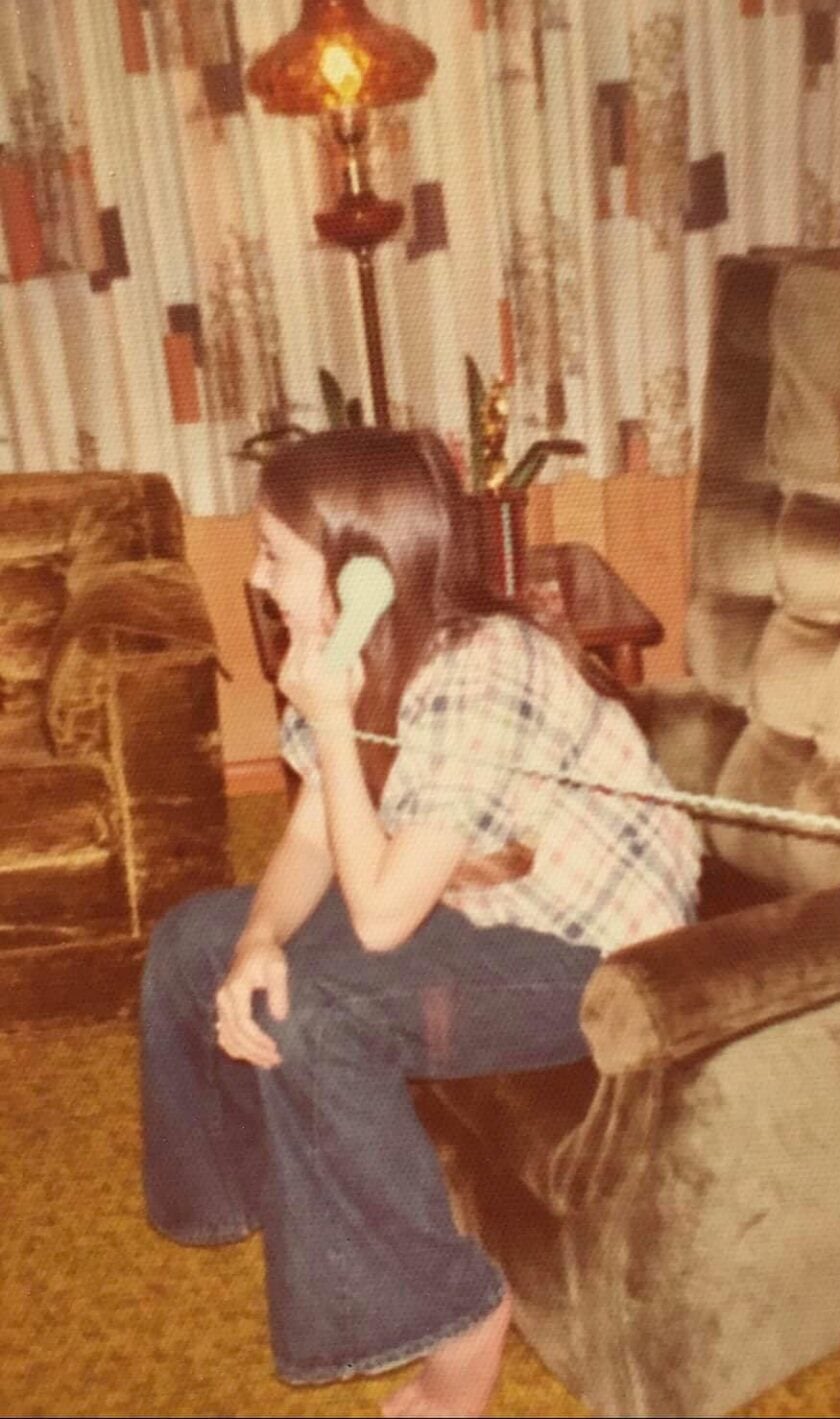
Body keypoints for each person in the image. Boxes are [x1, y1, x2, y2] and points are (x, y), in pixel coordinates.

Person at [140, 427, 702, 1418]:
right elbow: (310, 839)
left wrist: (329, 711)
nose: (257, 578)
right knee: (195, 943)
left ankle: (459, 1315)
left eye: (274, 554)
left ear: (361, 572)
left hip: (594, 951)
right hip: (467, 893)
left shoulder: (482, 670)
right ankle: (250, 1191)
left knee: (316, 1014)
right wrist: (259, 936)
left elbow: (381, 919)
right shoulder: (352, 651)